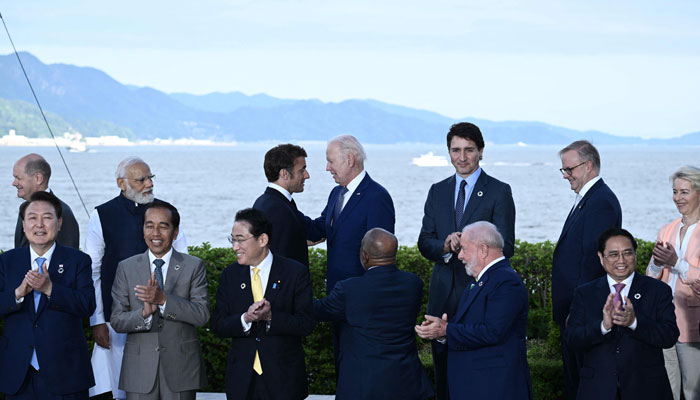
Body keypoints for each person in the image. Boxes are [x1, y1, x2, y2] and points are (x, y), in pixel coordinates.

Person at [417, 121, 515, 399]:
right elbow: (424, 242)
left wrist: (472, 246)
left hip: (479, 297)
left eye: (469, 150)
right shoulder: (437, 191)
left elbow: (506, 245)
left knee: (475, 376)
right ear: (448, 152)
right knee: (443, 377)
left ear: (481, 151)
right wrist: (445, 246)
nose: (462, 157)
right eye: (455, 150)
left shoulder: (499, 191)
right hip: (441, 297)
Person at [85, 156, 188, 399]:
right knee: (118, 386)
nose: (149, 184)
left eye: (150, 177)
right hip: (116, 318)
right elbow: (93, 271)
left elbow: (183, 264)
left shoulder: (169, 212)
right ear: (122, 183)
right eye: (141, 179)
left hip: (163, 316)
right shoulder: (102, 215)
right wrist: (97, 320)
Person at [415, 221, 532, 400]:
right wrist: (444, 330)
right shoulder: (479, 281)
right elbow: (473, 325)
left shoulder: (506, 282)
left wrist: (446, 330)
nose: (460, 256)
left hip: (494, 387)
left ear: (483, 250)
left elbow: (493, 332)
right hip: (478, 385)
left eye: (464, 249)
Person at [314, 228, 434, 400]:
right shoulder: (413, 284)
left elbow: (316, 310)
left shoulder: (348, 290)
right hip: (407, 382)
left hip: (363, 386)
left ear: (364, 255)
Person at [211, 208, 315, 400]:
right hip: (242, 381)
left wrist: (271, 317)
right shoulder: (230, 275)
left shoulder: (294, 273)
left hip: (284, 380)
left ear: (262, 240)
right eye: (232, 239)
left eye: (240, 239)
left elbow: (306, 323)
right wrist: (245, 319)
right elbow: (218, 324)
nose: (235, 247)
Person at [0, 191, 95, 398]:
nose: (39, 225)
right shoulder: (7, 262)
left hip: (66, 374)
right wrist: (18, 293)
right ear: (23, 225)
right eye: (32, 218)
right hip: (19, 374)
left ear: (59, 223)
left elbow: (87, 305)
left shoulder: (78, 261)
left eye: (47, 217)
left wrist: (51, 289)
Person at [110, 200, 209, 399]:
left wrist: (164, 300)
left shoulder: (193, 266)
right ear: (143, 230)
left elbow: (202, 315)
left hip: (181, 370)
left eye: (163, 226)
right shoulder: (126, 268)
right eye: (149, 226)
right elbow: (117, 320)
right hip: (139, 371)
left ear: (175, 232)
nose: (155, 233)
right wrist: (144, 314)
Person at [566, 228, 678, 399]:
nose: (621, 260)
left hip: (647, 389)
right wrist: (603, 327)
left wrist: (635, 322)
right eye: (613, 254)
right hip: (597, 390)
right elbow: (572, 339)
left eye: (627, 253)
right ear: (601, 257)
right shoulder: (585, 293)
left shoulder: (658, 290)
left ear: (635, 254)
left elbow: (669, 336)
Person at [551, 140, 622, 398]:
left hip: (584, 314)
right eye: (563, 170)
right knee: (576, 380)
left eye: (569, 169)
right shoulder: (588, 199)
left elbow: (593, 261)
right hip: (577, 312)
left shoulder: (600, 201)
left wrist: (579, 311)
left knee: (586, 382)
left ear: (588, 166)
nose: (566, 175)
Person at [305, 134, 395, 292]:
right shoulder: (336, 193)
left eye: (331, 161)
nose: (327, 168)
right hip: (336, 293)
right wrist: (285, 205)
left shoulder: (377, 197)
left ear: (350, 159)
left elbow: (381, 255)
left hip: (361, 295)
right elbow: (319, 228)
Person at [647, 166, 700, 400]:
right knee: (667, 390)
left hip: (693, 326)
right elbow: (651, 275)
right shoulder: (666, 229)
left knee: (692, 391)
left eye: (684, 192)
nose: (678, 198)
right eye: (675, 191)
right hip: (664, 321)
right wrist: (658, 264)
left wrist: (676, 262)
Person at [253, 143, 311, 266]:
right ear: (284, 174)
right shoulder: (276, 208)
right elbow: (280, 259)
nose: (307, 175)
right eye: (302, 170)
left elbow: (312, 229)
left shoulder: (271, 202)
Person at [12, 153, 80, 249]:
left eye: (18, 178)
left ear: (38, 178)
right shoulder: (24, 208)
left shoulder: (62, 212)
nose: (14, 183)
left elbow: (68, 257)